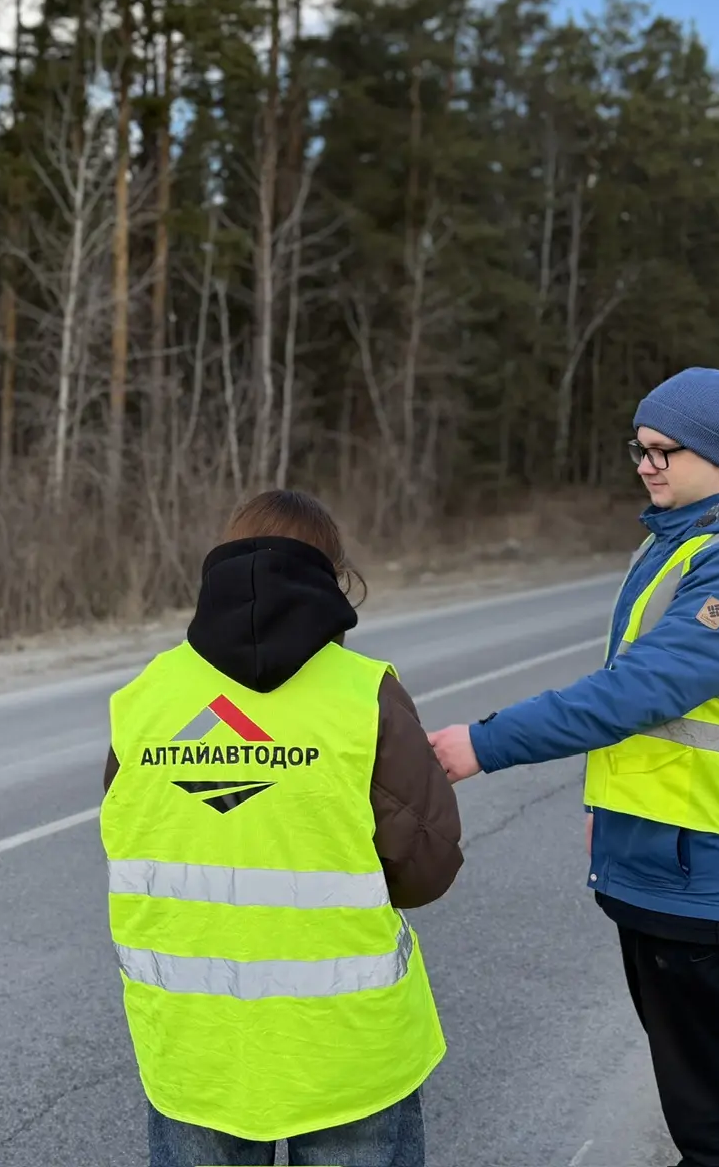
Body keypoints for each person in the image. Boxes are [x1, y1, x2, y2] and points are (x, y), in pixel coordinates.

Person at [429, 367, 719, 1167]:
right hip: (666, 857)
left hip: (715, 868)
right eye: (637, 449)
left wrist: (483, 743)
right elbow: (664, 721)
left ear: (718, 455)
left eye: (661, 450)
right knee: (703, 1104)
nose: (644, 465)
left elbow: (637, 692)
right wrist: (606, 810)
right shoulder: (682, 540)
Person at [102, 489, 463, 1167]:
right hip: (347, 1046)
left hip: (194, 1044)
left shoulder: (146, 697)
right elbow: (427, 867)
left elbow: (131, 838)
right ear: (331, 579)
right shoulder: (363, 694)